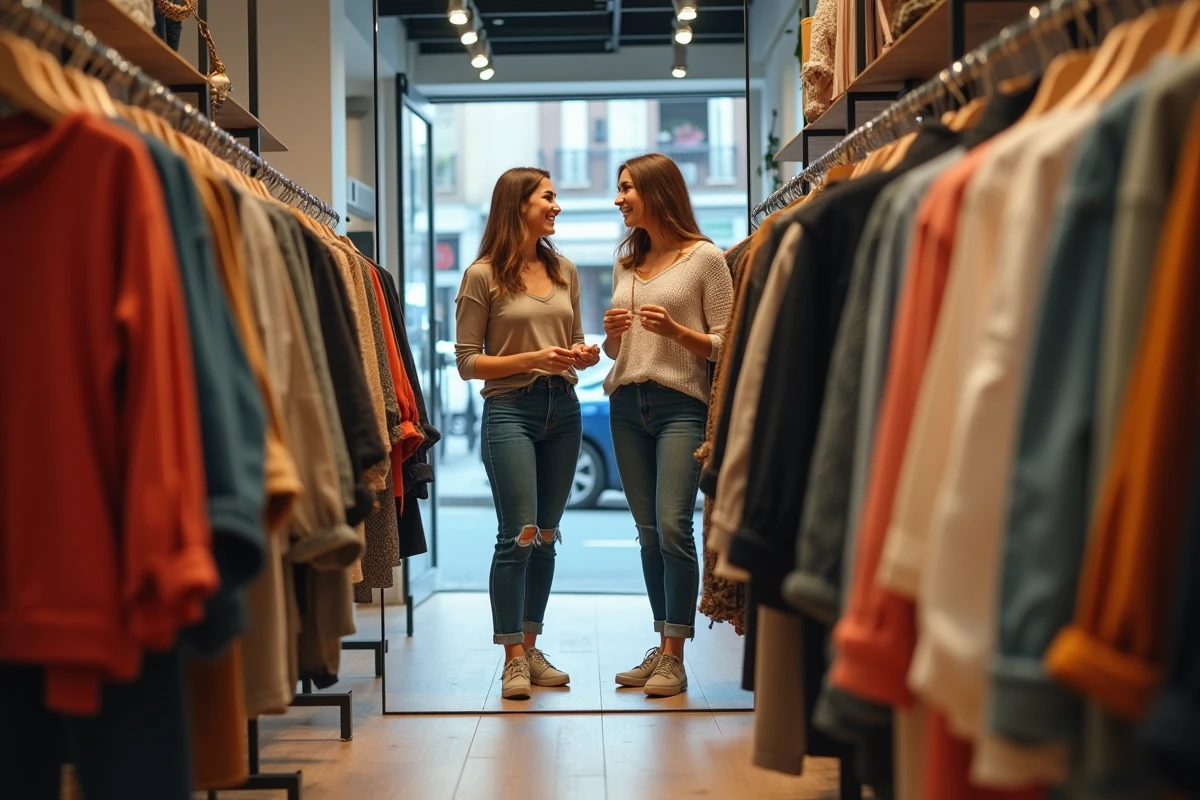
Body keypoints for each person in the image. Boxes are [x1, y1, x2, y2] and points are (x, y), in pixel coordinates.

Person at [454, 167, 601, 701]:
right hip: (509, 411)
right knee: (516, 532)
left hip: (563, 408)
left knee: (545, 536)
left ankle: (533, 647)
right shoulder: (482, 274)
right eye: (549, 197)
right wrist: (534, 358)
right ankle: (512, 656)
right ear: (519, 205)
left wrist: (585, 355)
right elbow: (468, 363)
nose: (557, 206)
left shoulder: (565, 271)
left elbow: (580, 343)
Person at [602, 153, 734, 697]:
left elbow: (728, 343)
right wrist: (611, 336)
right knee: (649, 533)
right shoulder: (626, 263)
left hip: (681, 404)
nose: (618, 199)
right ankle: (661, 646)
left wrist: (680, 333)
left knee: (675, 527)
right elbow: (619, 349)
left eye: (627, 187)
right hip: (626, 405)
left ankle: (676, 656)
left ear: (657, 192)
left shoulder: (706, 259)